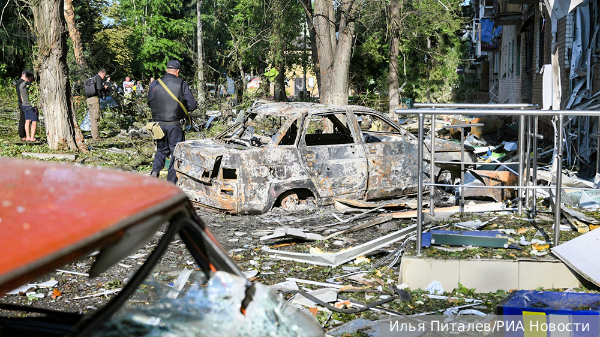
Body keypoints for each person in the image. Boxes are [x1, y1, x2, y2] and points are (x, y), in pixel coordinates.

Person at [148, 60, 197, 183]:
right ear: (178, 71)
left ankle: (155, 171)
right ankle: (171, 182)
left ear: (166, 69)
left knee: (161, 149)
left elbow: (149, 102)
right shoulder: (181, 84)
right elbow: (192, 105)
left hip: (158, 124)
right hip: (175, 124)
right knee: (176, 153)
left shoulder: (155, 83)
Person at [86, 69, 108, 140]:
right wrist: (104, 88)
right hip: (94, 99)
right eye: (104, 76)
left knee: (92, 118)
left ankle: (94, 135)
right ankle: (96, 136)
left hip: (89, 99)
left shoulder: (93, 78)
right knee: (96, 117)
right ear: (103, 74)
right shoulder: (98, 77)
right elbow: (99, 88)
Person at [14, 69, 32, 140]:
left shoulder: (23, 82)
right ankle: (22, 135)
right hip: (22, 103)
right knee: (23, 118)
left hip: (25, 102)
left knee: (27, 119)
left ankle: (26, 134)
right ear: (24, 74)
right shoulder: (20, 82)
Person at [19, 72, 37, 142]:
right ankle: (32, 137)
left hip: (24, 105)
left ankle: (28, 137)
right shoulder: (29, 85)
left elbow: (21, 96)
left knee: (27, 120)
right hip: (30, 105)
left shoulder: (21, 85)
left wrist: (24, 102)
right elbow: (32, 94)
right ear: (30, 77)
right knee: (34, 121)